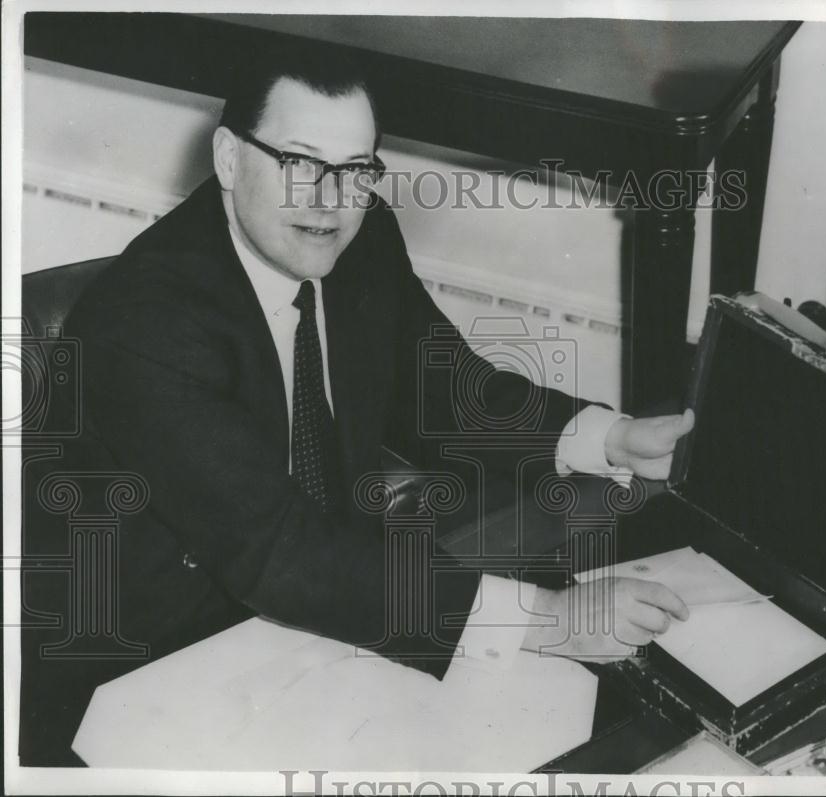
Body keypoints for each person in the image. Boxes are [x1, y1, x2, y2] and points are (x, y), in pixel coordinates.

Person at [22, 48, 694, 764]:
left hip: (320, 607)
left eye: (355, 168)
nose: (330, 200)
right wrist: (551, 618)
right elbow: (277, 549)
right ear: (227, 157)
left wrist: (611, 437)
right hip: (150, 665)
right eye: (301, 162)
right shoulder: (144, 320)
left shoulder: (360, 237)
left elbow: (446, 392)